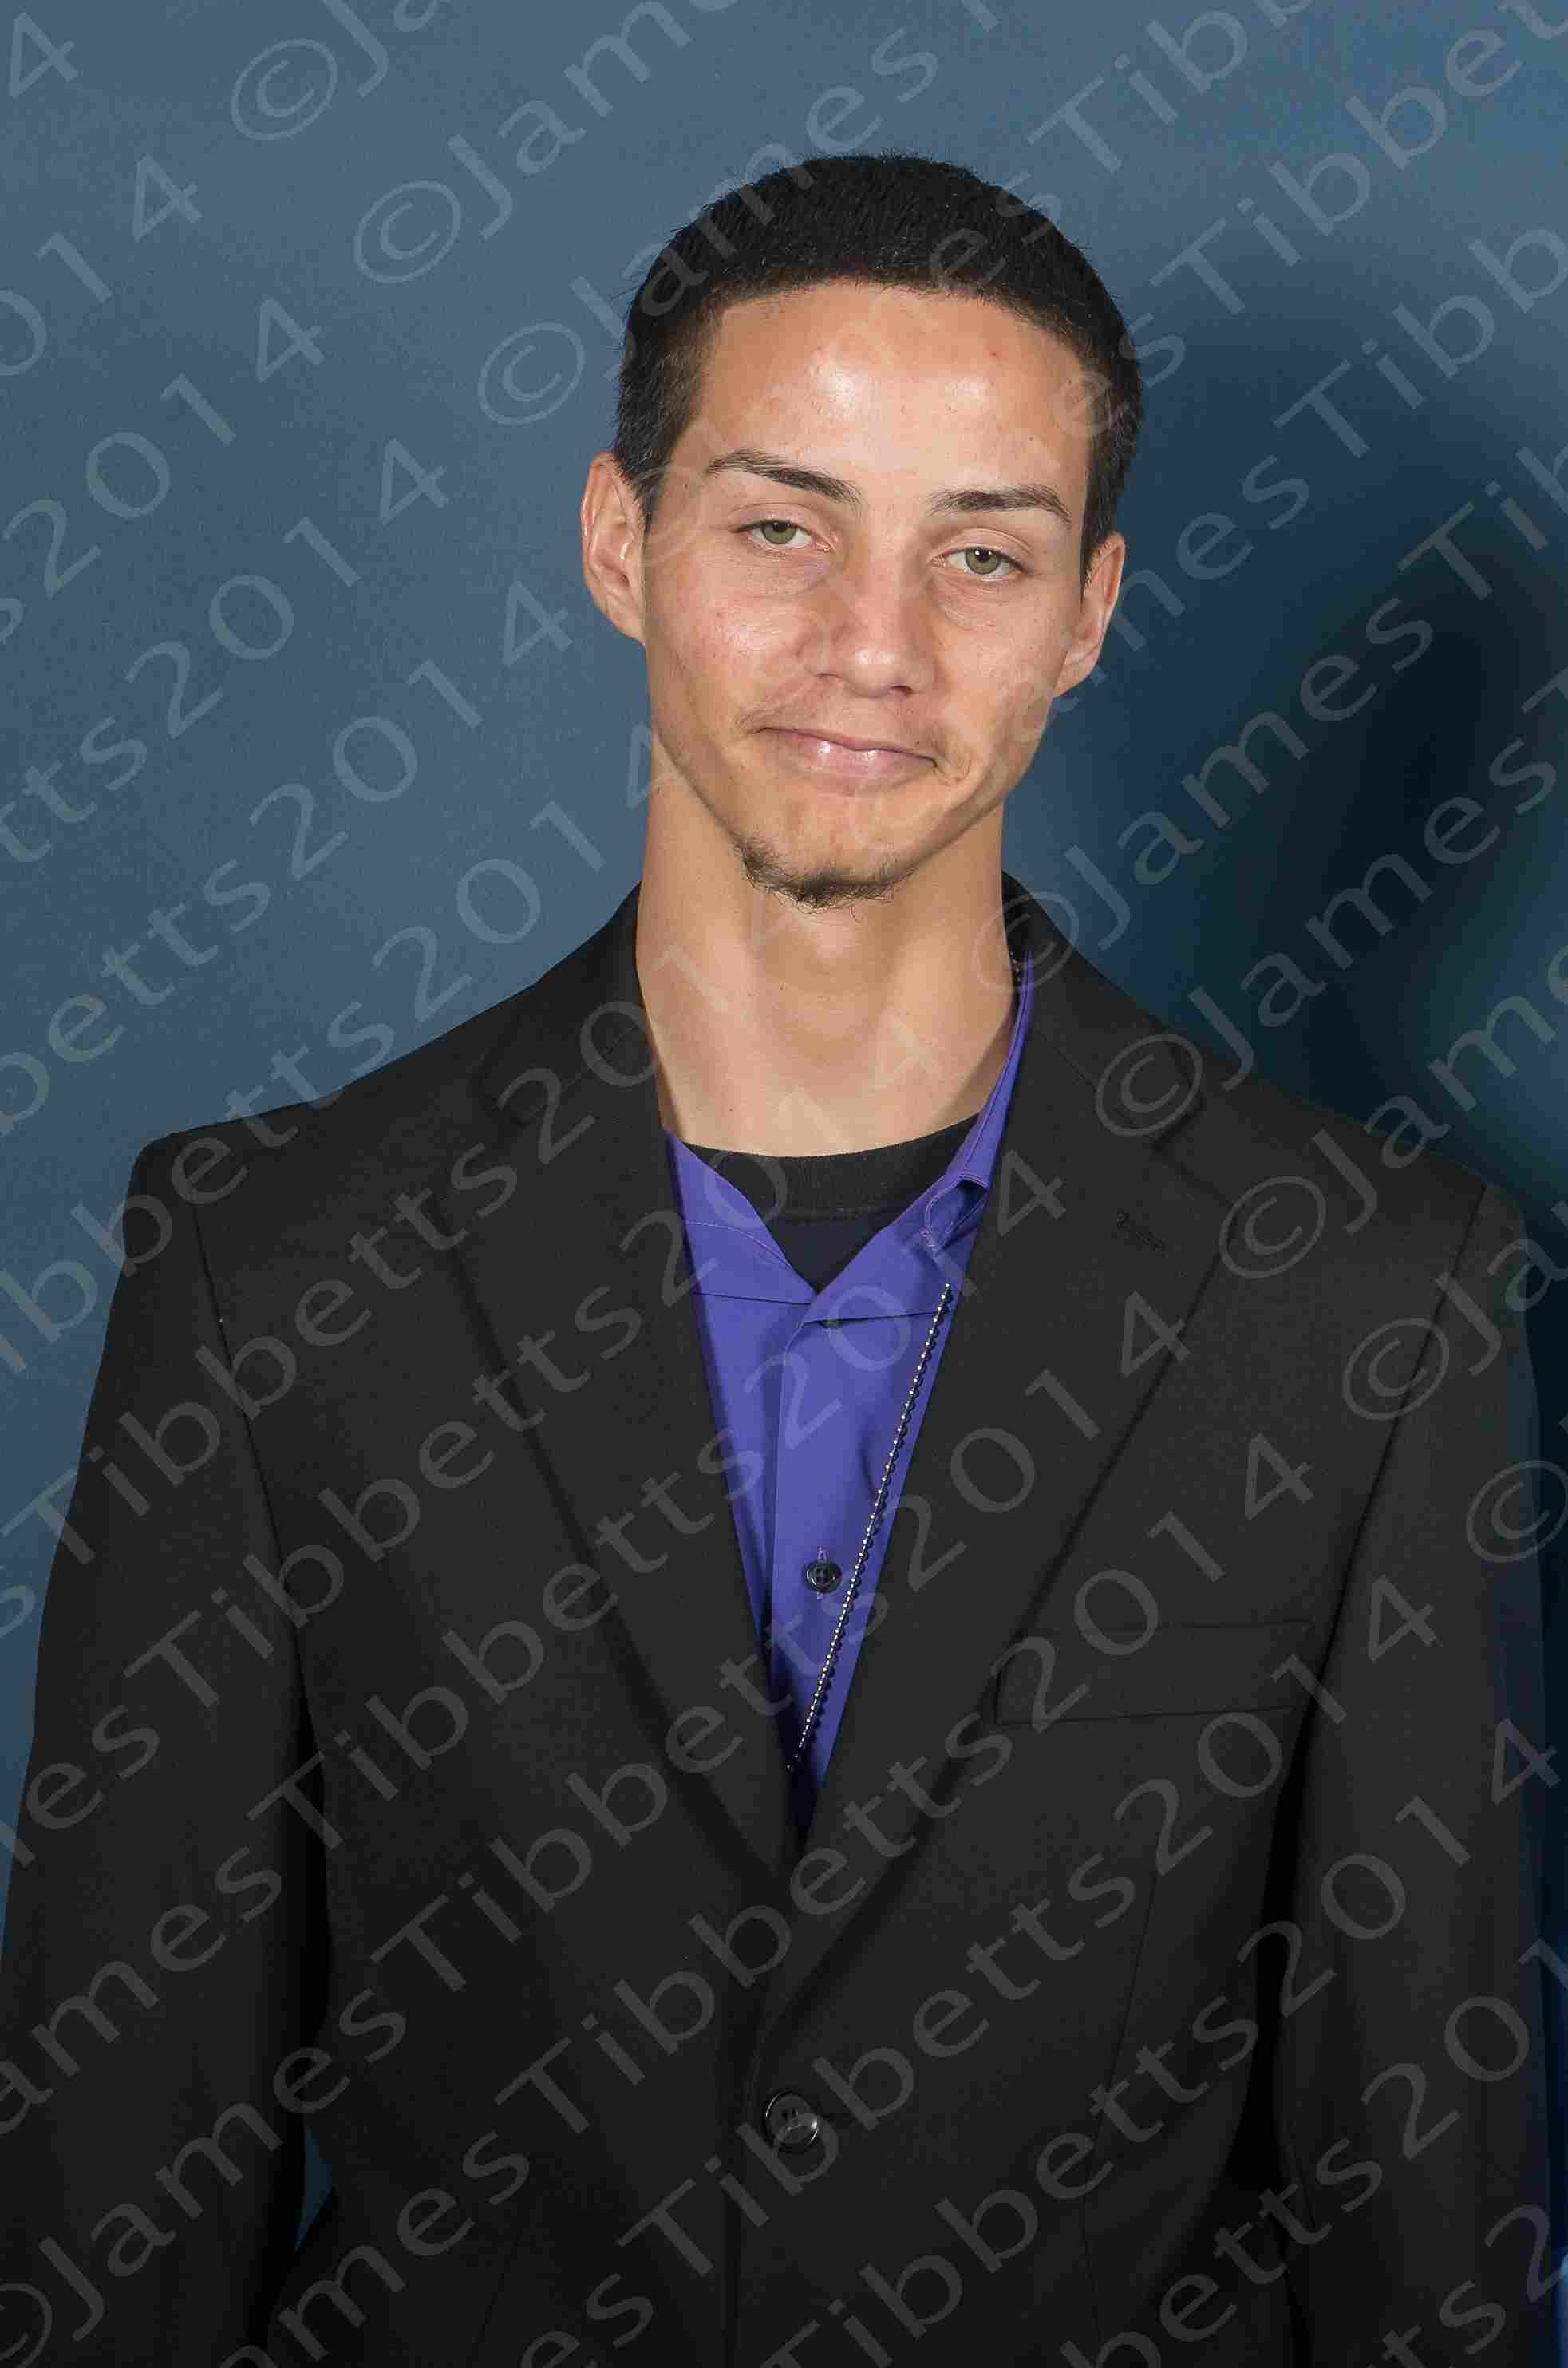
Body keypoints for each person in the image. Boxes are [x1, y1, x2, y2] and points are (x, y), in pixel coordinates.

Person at [0, 151, 1554, 2368]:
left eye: (981, 553)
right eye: (781, 528)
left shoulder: (1368, 1299)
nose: (874, 647)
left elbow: (1422, 2201)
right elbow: (120, 2182)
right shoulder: (270, 1269)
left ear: (1088, 611)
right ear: (621, 541)